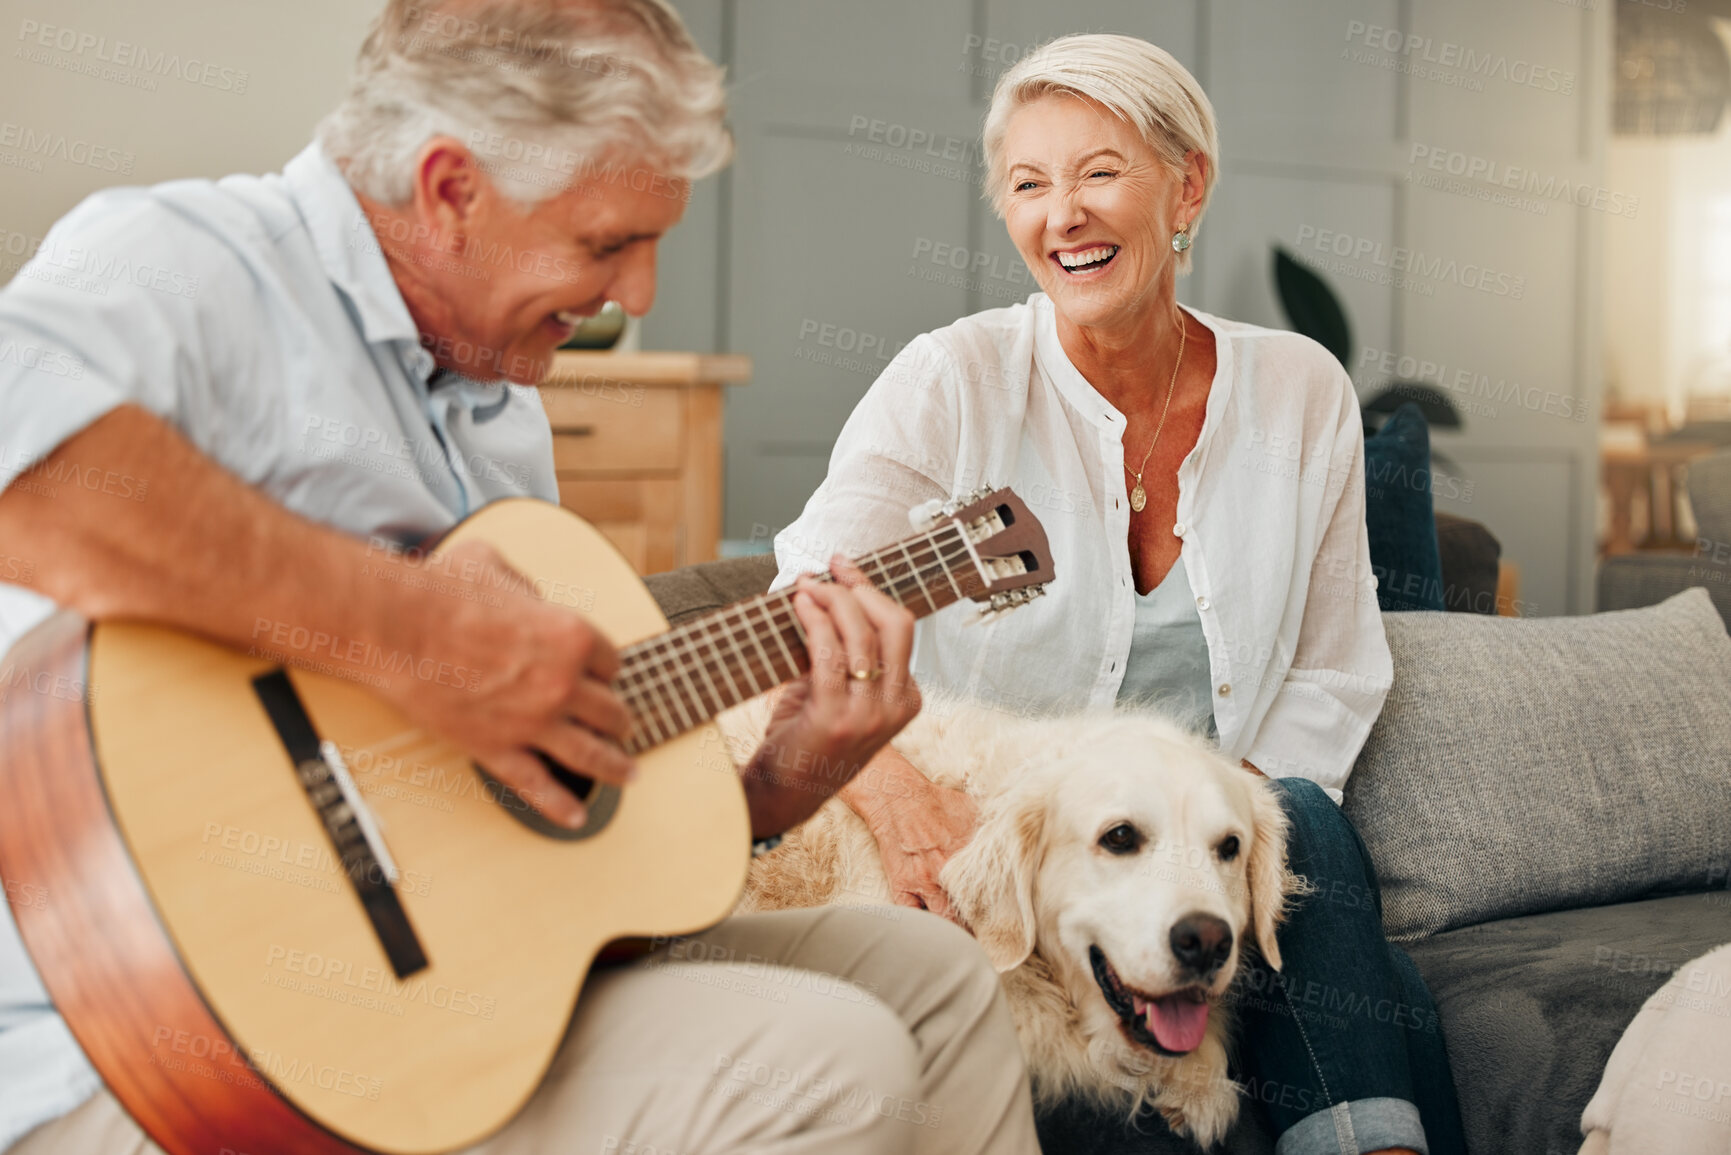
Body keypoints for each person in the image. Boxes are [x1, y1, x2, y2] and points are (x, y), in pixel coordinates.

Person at [0, 3, 1041, 1153]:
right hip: (138, 1045)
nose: (639, 295)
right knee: (835, 1067)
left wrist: (780, 788)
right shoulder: (190, 261)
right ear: (451, 189)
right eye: (606, 245)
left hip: (426, 994)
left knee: (936, 982)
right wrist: (415, 635)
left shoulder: (499, 410)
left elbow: (539, 856)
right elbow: (28, 476)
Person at [773, 33, 1468, 1155]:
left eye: (1100, 172)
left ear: (1185, 183)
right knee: (1379, 990)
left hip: (1206, 859)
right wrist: (903, 806)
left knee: (1310, 834)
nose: (1064, 216)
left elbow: (1335, 665)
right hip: (1027, 856)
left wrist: (1227, 818)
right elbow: (810, 605)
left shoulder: (1299, 392)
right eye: (1029, 185)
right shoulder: (953, 382)